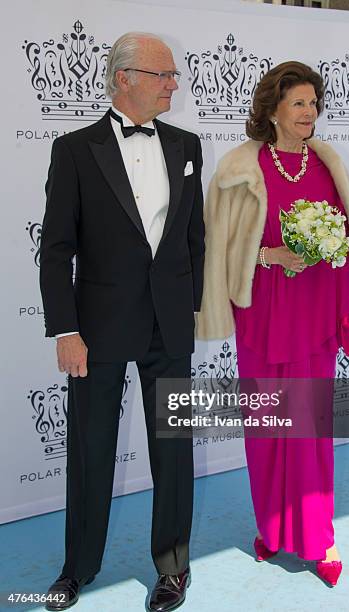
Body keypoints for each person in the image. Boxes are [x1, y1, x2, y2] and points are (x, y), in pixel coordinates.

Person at [40, 32, 204, 611]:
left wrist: (193, 304)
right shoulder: (75, 149)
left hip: (168, 324)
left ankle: (173, 569)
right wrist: (65, 329)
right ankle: (77, 569)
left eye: (173, 75)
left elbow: (192, 236)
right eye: (162, 75)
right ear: (125, 78)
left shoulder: (187, 144)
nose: (173, 85)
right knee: (91, 453)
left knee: (174, 449)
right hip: (98, 327)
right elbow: (57, 249)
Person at [196, 61, 349, 586]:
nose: (309, 113)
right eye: (299, 103)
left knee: (311, 431)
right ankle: (272, 530)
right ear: (272, 108)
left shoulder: (326, 164)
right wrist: (269, 255)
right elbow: (217, 249)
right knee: (268, 430)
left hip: (316, 317)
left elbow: (348, 245)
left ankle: (320, 540)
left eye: (314, 103)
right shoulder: (239, 168)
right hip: (264, 317)